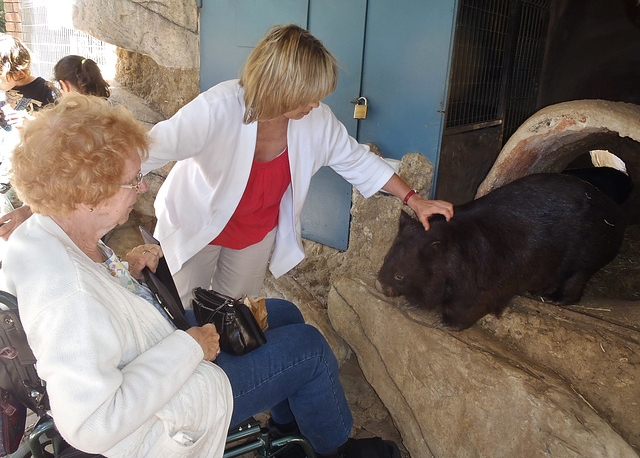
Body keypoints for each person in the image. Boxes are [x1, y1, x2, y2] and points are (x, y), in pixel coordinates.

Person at [1, 93, 400, 458]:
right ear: (88, 197)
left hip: (154, 350)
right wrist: (190, 347)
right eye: (132, 181)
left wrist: (126, 274)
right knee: (309, 347)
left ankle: (290, 428)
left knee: (282, 313)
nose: (141, 188)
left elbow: (99, 312)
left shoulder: (46, 230)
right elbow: (92, 425)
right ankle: (334, 449)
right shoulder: (67, 294)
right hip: (165, 413)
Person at [143, 23, 454, 307]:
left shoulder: (316, 121)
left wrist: (414, 200)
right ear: (278, 86)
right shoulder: (216, 108)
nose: (315, 104)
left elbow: (358, 160)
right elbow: (151, 148)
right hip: (197, 222)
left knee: (233, 314)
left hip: (253, 235)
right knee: (176, 311)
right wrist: (117, 188)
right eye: (307, 96)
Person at [0, 54, 110, 240]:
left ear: (64, 85)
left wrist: (29, 209)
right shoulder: (107, 111)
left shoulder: (71, 116)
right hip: (102, 200)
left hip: (76, 201)